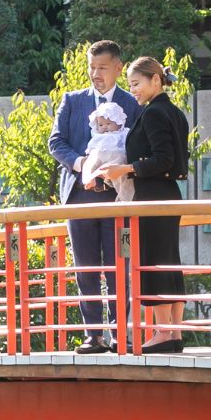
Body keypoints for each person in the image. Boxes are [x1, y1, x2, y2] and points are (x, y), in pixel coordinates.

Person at [48, 39, 141, 354]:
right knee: (85, 266)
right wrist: (81, 165)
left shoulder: (133, 104)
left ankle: (120, 334)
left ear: (118, 67)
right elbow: (56, 142)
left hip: (117, 196)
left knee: (120, 265)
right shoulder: (72, 101)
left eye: (102, 67)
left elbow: (140, 146)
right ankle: (93, 334)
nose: (96, 74)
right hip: (79, 193)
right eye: (92, 67)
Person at [97, 56, 189, 353]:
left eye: (136, 84)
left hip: (151, 195)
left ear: (156, 80)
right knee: (169, 261)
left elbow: (162, 159)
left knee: (152, 262)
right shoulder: (174, 112)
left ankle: (163, 332)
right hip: (169, 193)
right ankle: (173, 333)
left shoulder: (152, 114)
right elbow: (174, 161)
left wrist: (122, 170)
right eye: (130, 85)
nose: (133, 90)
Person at [81, 102, 133, 202]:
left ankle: (125, 198)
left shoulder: (124, 133)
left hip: (116, 160)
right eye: (100, 125)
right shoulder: (98, 137)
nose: (104, 127)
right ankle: (89, 179)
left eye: (108, 124)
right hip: (101, 155)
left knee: (123, 178)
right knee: (91, 160)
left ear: (119, 123)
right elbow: (92, 151)